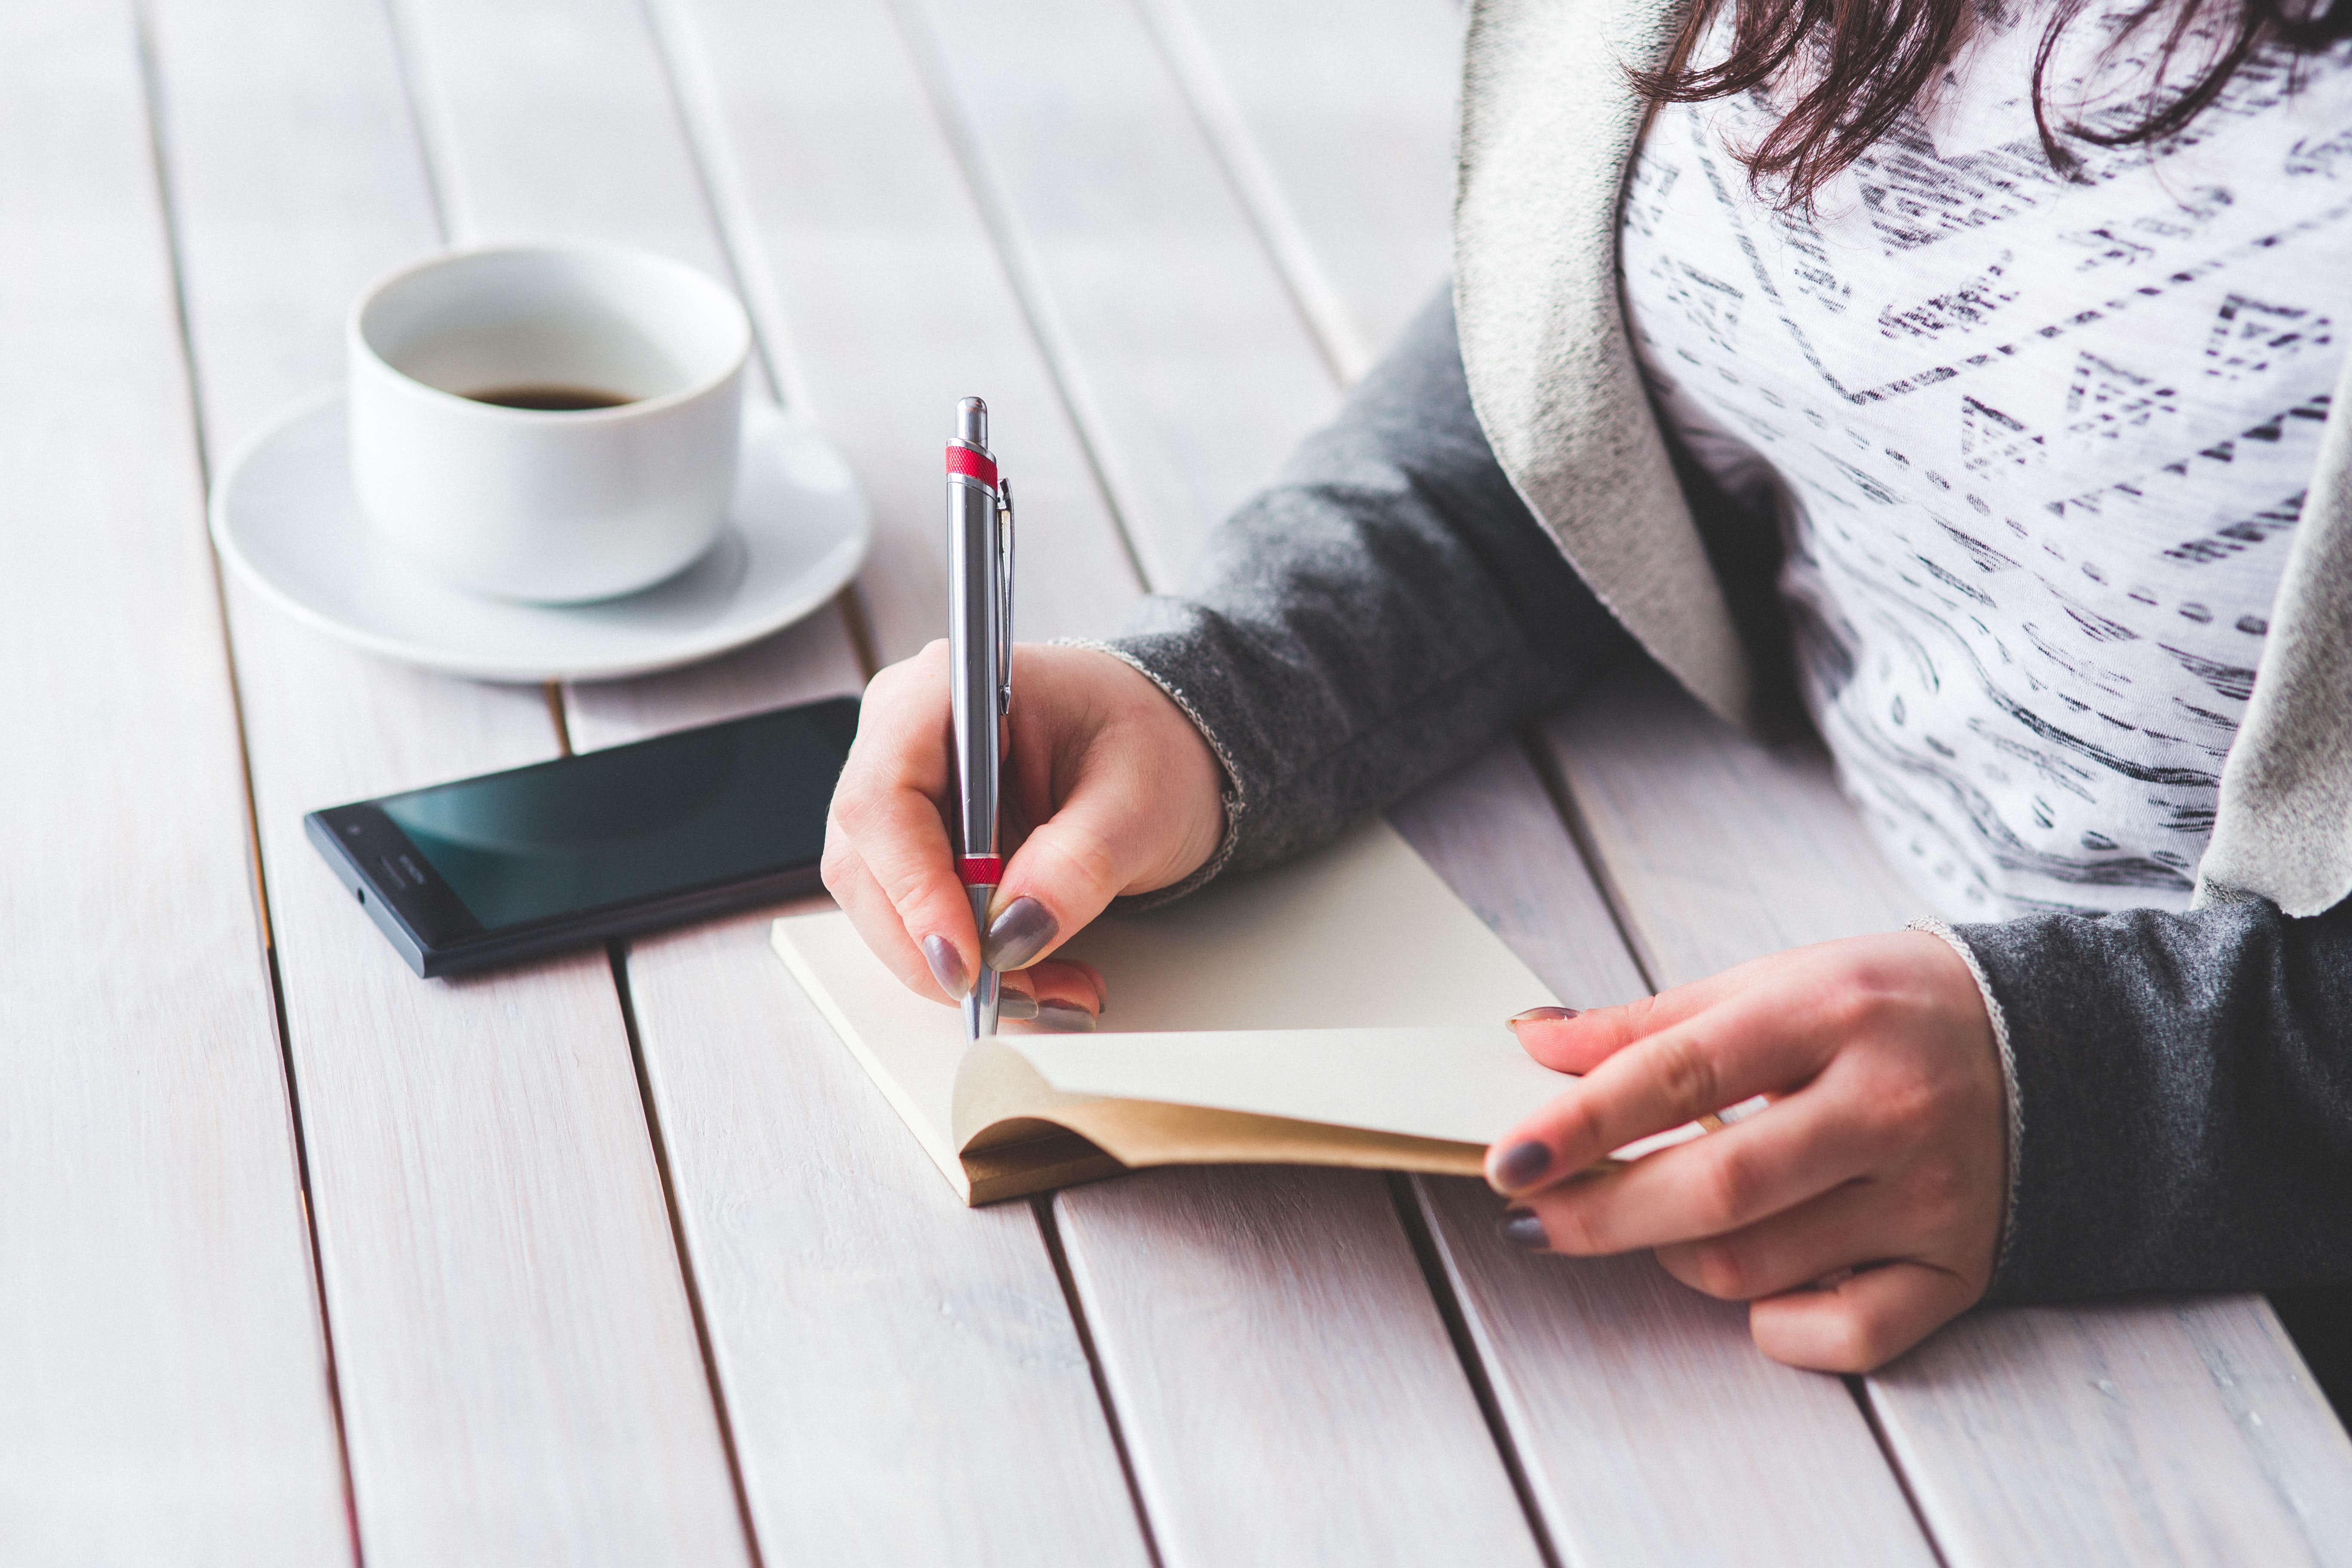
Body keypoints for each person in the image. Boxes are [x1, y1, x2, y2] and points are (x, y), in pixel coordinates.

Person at [825, 0, 2352, 1375]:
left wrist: (2116, 1096)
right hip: (1739, 895)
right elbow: (1625, 371)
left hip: (2230, 1354)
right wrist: (1219, 684)